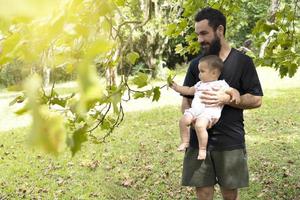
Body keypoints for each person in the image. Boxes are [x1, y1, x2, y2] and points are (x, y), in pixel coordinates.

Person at [180, 7, 263, 200]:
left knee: (229, 193)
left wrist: (230, 99)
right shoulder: (196, 65)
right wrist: (191, 120)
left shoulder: (243, 62)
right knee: (203, 191)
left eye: (204, 33)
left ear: (219, 30)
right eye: (197, 34)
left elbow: (257, 99)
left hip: (230, 140)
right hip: (197, 141)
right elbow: (186, 100)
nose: (200, 39)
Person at [170, 55, 240, 160]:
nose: (199, 75)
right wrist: (177, 88)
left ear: (214, 73)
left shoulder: (220, 84)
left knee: (199, 126)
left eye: (202, 71)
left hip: (208, 113)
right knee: (183, 121)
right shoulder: (199, 84)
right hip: (195, 110)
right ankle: (185, 141)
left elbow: (232, 90)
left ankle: (202, 149)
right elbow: (188, 90)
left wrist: (236, 96)